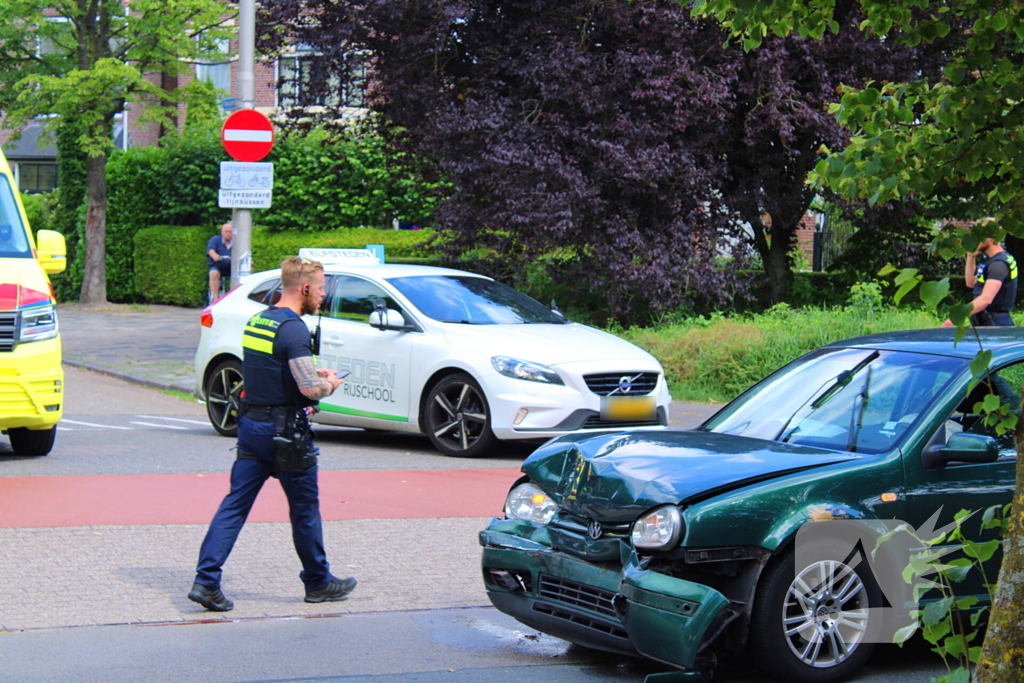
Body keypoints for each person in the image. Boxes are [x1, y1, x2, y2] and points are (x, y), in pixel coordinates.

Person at [188, 256, 356, 612]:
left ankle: (206, 582)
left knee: (234, 505)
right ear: (305, 288)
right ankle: (317, 582)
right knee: (305, 510)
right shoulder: (294, 329)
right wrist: (330, 382)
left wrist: (310, 370)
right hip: (287, 434)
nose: (323, 295)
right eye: (322, 288)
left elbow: (272, 368)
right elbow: (310, 390)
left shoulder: (258, 320)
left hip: (252, 428)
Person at [942, 227, 1018, 327]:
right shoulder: (991, 260)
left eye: (978, 237)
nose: (974, 240)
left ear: (992, 238)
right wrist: (971, 256)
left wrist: (956, 318)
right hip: (985, 319)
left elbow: (986, 298)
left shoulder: (998, 264)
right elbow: (971, 283)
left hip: (995, 322)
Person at [207, 222, 233, 303]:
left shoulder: (237, 242)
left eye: (230, 231)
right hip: (219, 266)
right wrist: (214, 255)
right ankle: (216, 299)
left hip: (233, 266)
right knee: (213, 273)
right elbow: (211, 250)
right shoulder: (215, 240)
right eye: (226, 231)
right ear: (222, 232)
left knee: (247, 270)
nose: (228, 234)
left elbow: (243, 253)